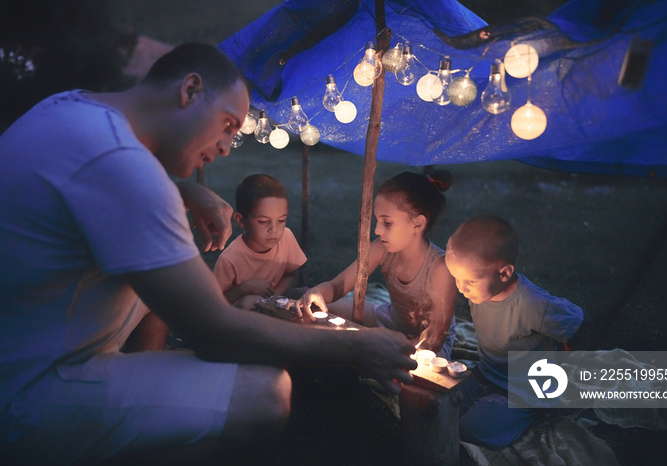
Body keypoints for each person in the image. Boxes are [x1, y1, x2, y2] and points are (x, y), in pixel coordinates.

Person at [0, 43, 416, 465]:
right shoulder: (118, 164)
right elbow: (214, 331)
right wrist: (358, 347)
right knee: (265, 392)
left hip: (24, 348)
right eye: (227, 125)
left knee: (169, 267)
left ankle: (145, 376)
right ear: (191, 89)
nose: (224, 146)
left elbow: (91, 187)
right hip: (31, 391)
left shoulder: (68, 112)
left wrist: (182, 190)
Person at [444, 214, 586, 449]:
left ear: (504, 274)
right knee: (443, 408)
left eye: (469, 281)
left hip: (522, 389)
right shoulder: (481, 291)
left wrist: (562, 360)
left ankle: (535, 413)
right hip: (486, 373)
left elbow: (578, 322)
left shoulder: (532, 304)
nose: (461, 288)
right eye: (456, 279)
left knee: (471, 429)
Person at [293, 170, 458, 358]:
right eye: (377, 221)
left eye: (387, 223)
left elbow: (435, 337)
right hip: (388, 320)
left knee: (413, 378)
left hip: (428, 345)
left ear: (418, 224)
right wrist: (318, 292)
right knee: (305, 300)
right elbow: (339, 285)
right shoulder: (382, 248)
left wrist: (395, 346)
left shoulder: (440, 268)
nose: (378, 230)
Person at [213, 174, 307, 309]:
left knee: (307, 294)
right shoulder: (229, 260)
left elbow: (291, 275)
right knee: (250, 302)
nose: (274, 230)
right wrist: (244, 288)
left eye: (281, 220)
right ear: (240, 220)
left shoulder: (286, 236)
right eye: (263, 221)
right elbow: (215, 303)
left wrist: (272, 299)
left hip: (278, 299)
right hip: (242, 314)